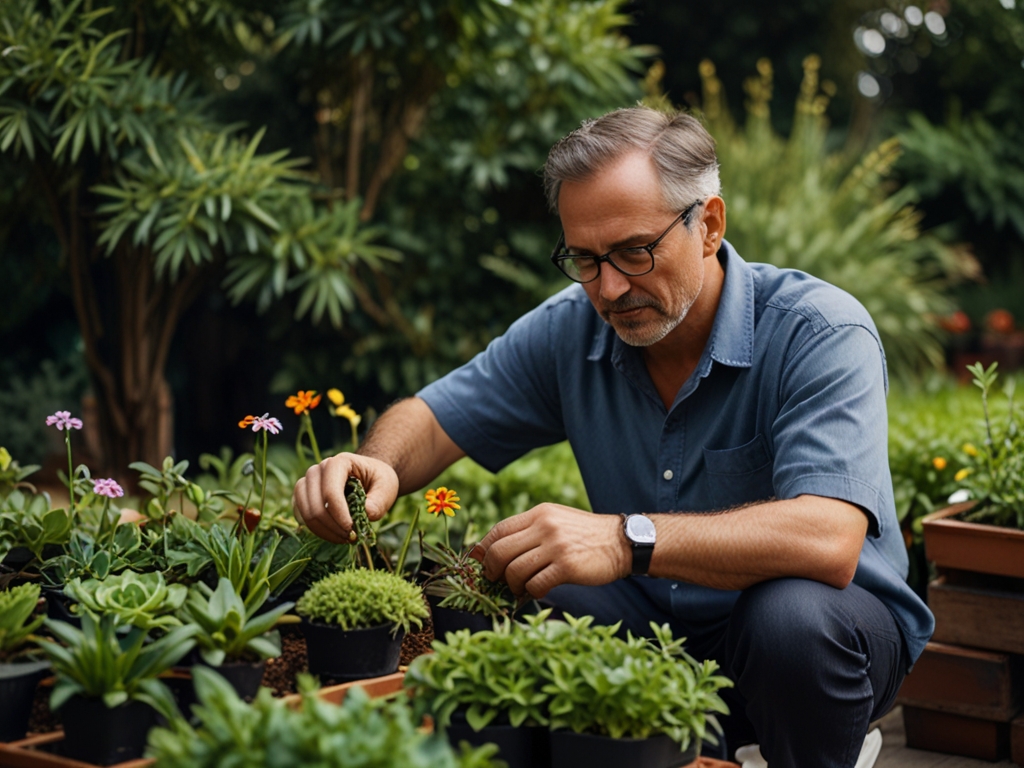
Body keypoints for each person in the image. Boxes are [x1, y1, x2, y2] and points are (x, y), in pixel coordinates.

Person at [292, 106, 934, 767]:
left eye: (635, 251)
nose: (610, 287)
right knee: (548, 583)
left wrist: (629, 538)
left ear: (709, 225)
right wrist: (378, 464)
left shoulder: (819, 331)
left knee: (791, 619)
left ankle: (818, 746)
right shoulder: (572, 329)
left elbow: (827, 540)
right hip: (662, 637)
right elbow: (432, 416)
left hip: (822, 643)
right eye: (585, 258)